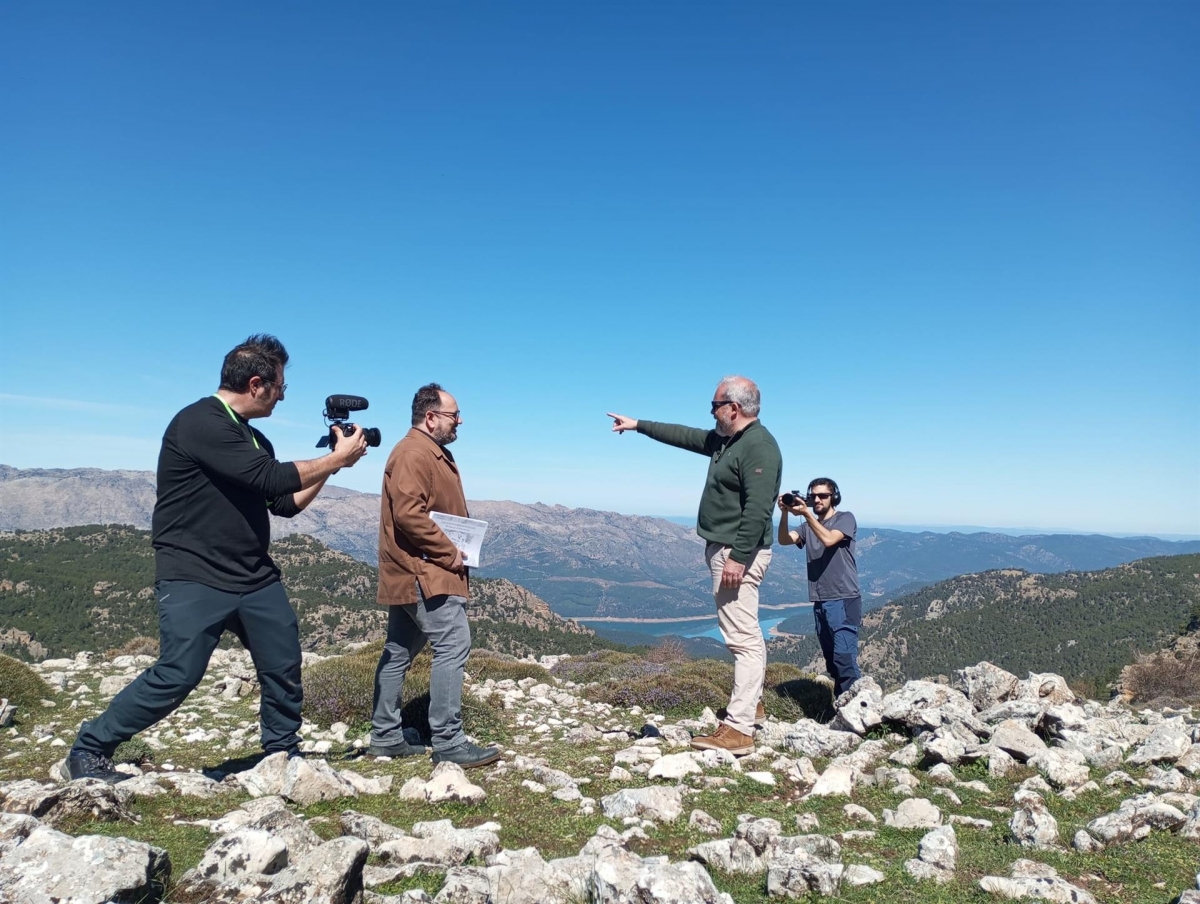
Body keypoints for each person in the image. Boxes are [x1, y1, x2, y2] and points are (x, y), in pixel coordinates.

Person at [67, 334, 369, 783]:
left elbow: (283, 501)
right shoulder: (200, 422)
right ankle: (90, 748)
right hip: (194, 574)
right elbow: (268, 475)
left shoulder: (252, 437)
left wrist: (334, 462)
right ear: (256, 383)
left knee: (282, 663)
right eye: (281, 385)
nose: (284, 394)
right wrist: (335, 460)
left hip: (252, 575)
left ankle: (281, 754)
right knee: (178, 673)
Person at [608, 376, 782, 756]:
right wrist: (638, 425)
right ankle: (750, 705)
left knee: (743, 638)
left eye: (714, 406)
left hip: (738, 553)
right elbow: (685, 436)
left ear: (733, 408)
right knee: (742, 631)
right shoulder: (728, 441)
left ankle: (739, 729)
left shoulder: (760, 447)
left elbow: (758, 509)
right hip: (727, 550)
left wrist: (737, 557)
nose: (711, 413)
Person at [371, 383, 500, 768]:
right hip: (424, 572)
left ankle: (385, 735)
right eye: (453, 415)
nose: (459, 422)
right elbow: (409, 515)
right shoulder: (413, 453)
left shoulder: (426, 451)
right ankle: (448, 741)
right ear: (430, 418)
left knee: (399, 650)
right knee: (453, 644)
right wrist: (450, 552)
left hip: (414, 571)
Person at [777, 478, 861, 697]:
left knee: (845, 661)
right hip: (820, 600)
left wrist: (806, 514)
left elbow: (829, 540)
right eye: (813, 496)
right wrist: (784, 512)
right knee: (833, 662)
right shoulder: (807, 527)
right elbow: (785, 539)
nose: (817, 500)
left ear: (834, 497)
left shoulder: (845, 518)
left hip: (843, 599)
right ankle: (839, 709)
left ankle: (857, 710)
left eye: (823, 495)